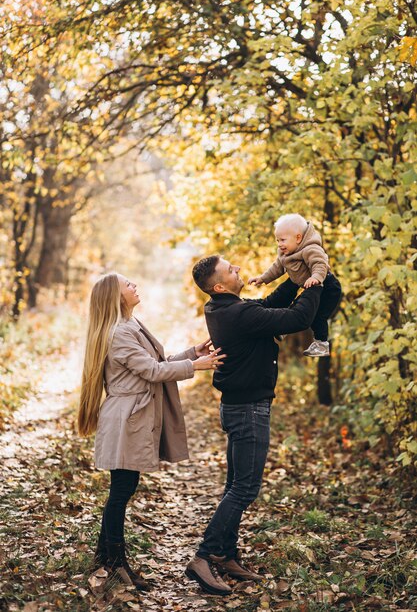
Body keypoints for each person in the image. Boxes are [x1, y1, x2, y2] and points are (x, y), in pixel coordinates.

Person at [78, 272, 225, 591]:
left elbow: (156, 362)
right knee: (121, 490)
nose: (134, 286)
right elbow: (152, 371)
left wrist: (191, 353)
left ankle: (108, 558)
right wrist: (196, 368)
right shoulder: (119, 333)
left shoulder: (130, 325)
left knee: (122, 489)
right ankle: (115, 562)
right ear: (117, 298)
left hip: (132, 416)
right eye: (127, 285)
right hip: (126, 418)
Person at [186, 255, 323, 596]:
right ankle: (204, 556)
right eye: (230, 269)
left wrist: (295, 277)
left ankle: (224, 552)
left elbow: (267, 305)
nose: (238, 270)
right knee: (245, 488)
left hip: (237, 406)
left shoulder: (219, 308)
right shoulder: (238, 313)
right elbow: (298, 317)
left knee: (236, 483)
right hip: (248, 409)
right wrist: (315, 282)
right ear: (219, 286)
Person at [248, 213, 342, 357]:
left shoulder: (310, 249)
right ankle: (284, 328)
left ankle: (322, 344)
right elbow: (277, 267)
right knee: (294, 301)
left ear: (298, 238)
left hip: (328, 287)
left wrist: (316, 277)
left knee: (317, 317)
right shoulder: (285, 252)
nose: (280, 244)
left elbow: (320, 264)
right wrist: (263, 278)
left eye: (283, 240)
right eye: (277, 240)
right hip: (306, 285)